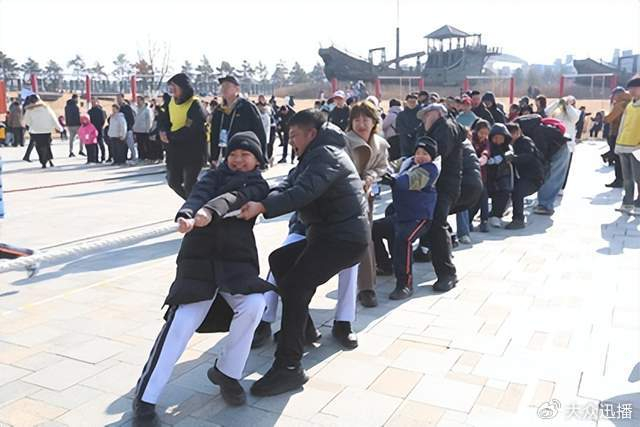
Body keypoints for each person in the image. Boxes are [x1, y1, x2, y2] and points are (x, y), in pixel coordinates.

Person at [131, 132, 273, 426]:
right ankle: (145, 397)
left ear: (257, 160)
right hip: (199, 260)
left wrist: (209, 210)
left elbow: (235, 198)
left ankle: (228, 373)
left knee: (255, 305)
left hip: (236, 263)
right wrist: (188, 212)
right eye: (233, 154)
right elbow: (198, 194)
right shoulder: (212, 176)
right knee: (181, 322)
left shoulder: (259, 186)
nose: (238, 160)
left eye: (245, 155)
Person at [237, 109, 369, 397]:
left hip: (343, 239)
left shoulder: (327, 155)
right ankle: (305, 329)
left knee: (296, 286)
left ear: (311, 133)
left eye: (294, 135)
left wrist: (264, 207)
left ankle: (289, 367)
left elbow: (303, 192)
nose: (291, 141)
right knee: (280, 261)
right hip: (325, 236)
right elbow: (289, 183)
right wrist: (263, 198)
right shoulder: (313, 155)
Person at [380, 137, 439, 299]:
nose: (420, 156)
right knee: (373, 230)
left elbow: (411, 181)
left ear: (431, 156)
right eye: (418, 152)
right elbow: (389, 166)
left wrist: (392, 180)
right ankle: (385, 265)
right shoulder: (407, 162)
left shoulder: (430, 169)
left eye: (425, 153)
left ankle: (405, 284)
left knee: (404, 239)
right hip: (401, 215)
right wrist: (380, 170)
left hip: (419, 217)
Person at [415, 103, 465, 291]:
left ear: (436, 113)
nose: (424, 120)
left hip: (444, 185)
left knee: (437, 224)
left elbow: (436, 156)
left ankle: (447, 274)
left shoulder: (445, 128)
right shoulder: (439, 129)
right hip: (437, 184)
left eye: (426, 115)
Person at [345, 101, 390, 307]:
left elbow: (383, 166)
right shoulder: (344, 142)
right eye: (356, 120)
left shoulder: (380, 144)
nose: (361, 124)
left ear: (374, 122)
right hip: (345, 197)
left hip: (367, 197)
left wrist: (371, 175)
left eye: (366, 119)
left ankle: (366, 288)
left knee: (366, 239)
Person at [158, 73, 207, 199]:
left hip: (192, 150)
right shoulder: (170, 102)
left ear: (184, 87)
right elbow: (164, 120)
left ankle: (194, 205)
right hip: (174, 149)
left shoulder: (195, 104)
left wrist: (170, 136)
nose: (172, 89)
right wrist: (162, 131)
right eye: (171, 86)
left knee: (189, 183)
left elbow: (190, 129)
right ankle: (194, 202)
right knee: (173, 182)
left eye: (175, 86)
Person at [210, 75, 266, 164]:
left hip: (244, 155)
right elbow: (214, 134)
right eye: (222, 86)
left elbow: (260, 133)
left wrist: (261, 158)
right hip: (224, 155)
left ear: (237, 89)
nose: (224, 89)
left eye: (227, 86)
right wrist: (214, 156)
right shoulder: (219, 110)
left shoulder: (247, 107)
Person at [502, 122, 545, 228]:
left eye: (512, 133)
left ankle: (518, 220)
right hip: (521, 177)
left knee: (518, 192)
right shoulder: (510, 144)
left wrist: (514, 158)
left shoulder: (525, 142)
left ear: (518, 132)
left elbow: (528, 156)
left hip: (533, 178)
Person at [614, 75, 640, 215]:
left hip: (637, 147)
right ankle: (627, 203)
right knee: (627, 178)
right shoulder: (629, 106)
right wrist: (618, 143)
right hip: (624, 144)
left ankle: (639, 204)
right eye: (630, 88)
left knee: (638, 178)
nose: (631, 91)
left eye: (635, 88)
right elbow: (623, 125)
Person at [544, 95, 580, 195]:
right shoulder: (557, 112)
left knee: (565, 168)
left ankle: (561, 187)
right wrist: (558, 102)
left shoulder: (575, 112)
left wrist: (568, 105)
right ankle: (549, 186)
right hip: (555, 143)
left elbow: (574, 118)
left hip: (568, 145)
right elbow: (547, 112)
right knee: (552, 166)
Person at [22, 94, 61, 169]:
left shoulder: (29, 110)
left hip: (35, 131)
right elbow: (53, 118)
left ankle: (43, 162)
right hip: (46, 130)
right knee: (46, 145)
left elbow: (26, 121)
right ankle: (49, 160)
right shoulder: (46, 108)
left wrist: (29, 125)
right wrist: (59, 127)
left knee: (39, 147)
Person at [604, 87, 632, 188]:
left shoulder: (620, 104)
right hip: (626, 133)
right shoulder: (630, 103)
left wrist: (605, 117)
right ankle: (625, 180)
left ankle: (619, 180)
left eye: (613, 95)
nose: (612, 97)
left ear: (618, 94)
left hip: (617, 133)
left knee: (618, 159)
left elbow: (609, 118)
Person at [468, 119, 491, 232]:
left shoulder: (486, 141)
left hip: (482, 174)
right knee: (472, 199)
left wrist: (484, 156)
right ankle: (468, 221)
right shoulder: (470, 139)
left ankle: (484, 221)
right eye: (481, 133)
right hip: (470, 174)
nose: (483, 135)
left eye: (486, 133)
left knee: (483, 196)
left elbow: (487, 150)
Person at [116, 93, 137, 163]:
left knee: (130, 144)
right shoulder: (117, 108)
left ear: (122, 98)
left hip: (128, 129)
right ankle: (123, 158)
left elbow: (131, 118)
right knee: (122, 145)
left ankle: (134, 157)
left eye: (119, 98)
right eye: (117, 98)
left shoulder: (127, 107)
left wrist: (130, 127)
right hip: (120, 130)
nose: (118, 100)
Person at [133, 96, 153, 162]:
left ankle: (147, 157)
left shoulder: (147, 110)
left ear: (143, 101)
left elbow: (149, 120)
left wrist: (148, 129)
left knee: (145, 145)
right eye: (137, 100)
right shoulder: (137, 109)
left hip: (144, 130)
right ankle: (141, 157)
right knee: (139, 145)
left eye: (139, 100)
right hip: (137, 130)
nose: (138, 102)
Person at [88, 97, 107, 162]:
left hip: (99, 129)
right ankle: (95, 158)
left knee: (101, 143)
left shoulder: (100, 111)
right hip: (92, 130)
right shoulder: (89, 111)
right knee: (94, 144)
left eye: (94, 102)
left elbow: (103, 120)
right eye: (92, 102)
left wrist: (100, 126)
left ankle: (103, 157)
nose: (93, 103)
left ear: (97, 102)